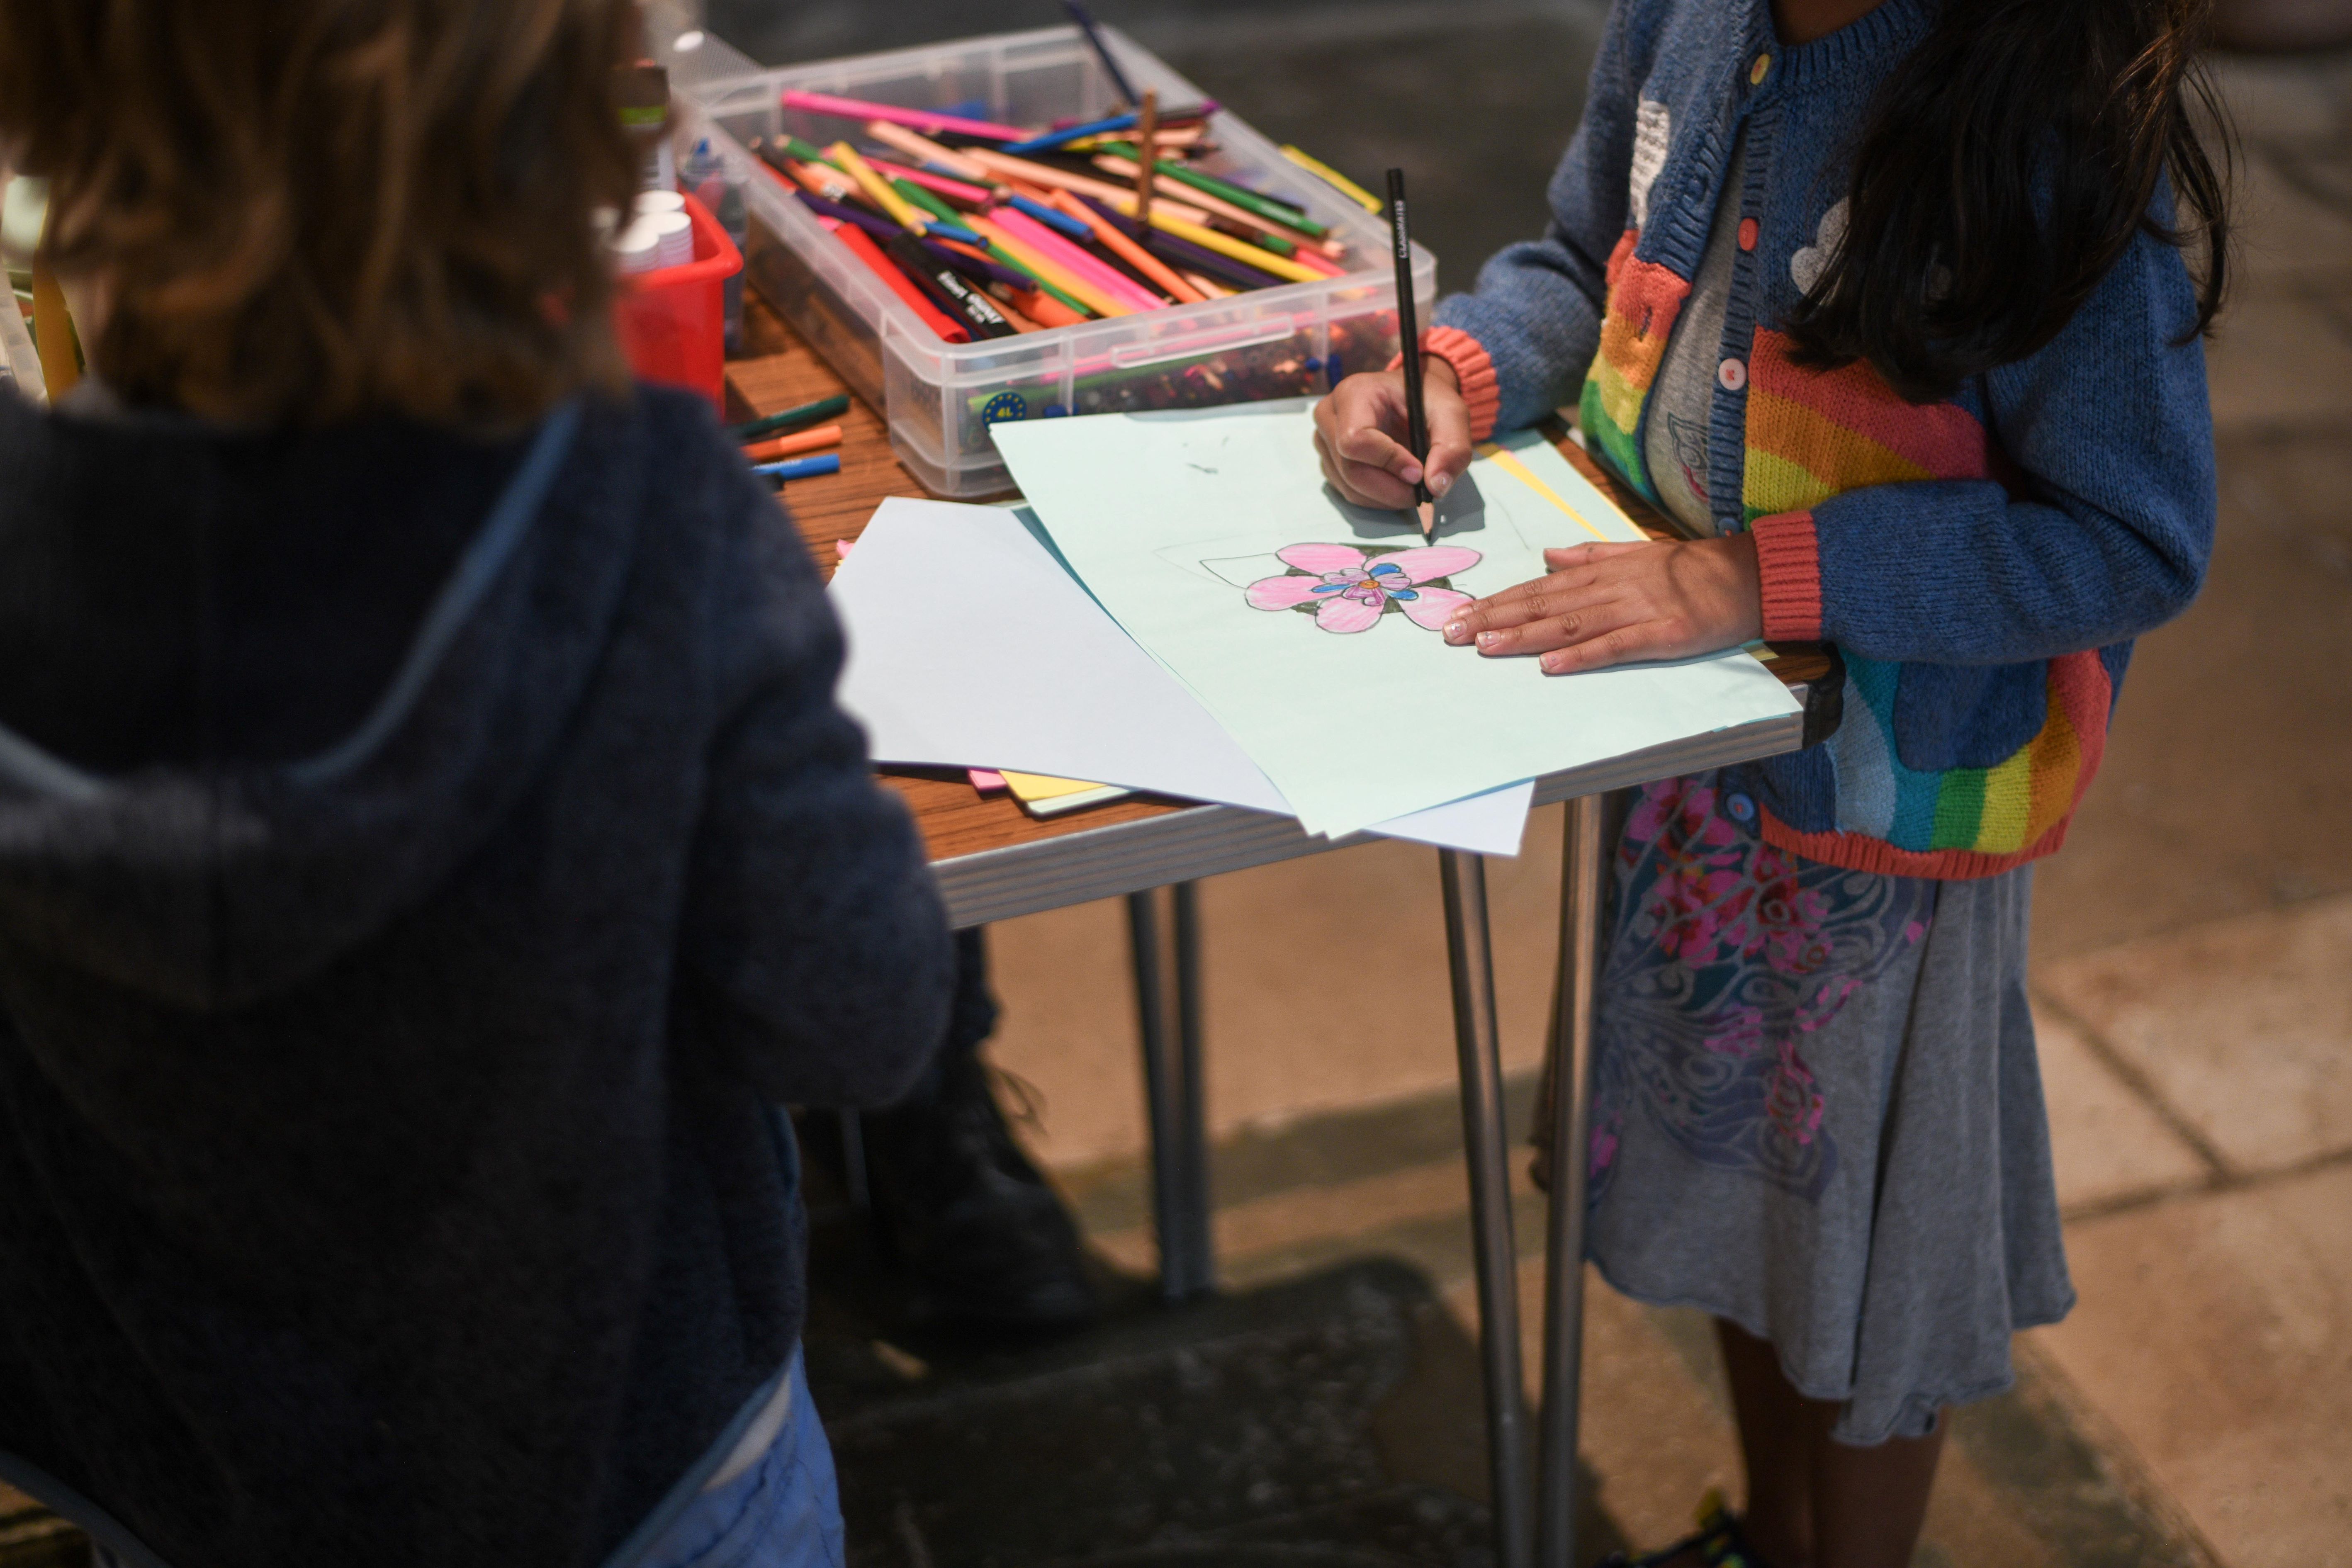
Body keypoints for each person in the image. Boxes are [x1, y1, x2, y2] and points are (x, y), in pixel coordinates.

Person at [0, 3, 953, 1566]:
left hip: (183, 1466)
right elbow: (860, 1015)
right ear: (568, 127)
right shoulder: (644, 518)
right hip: (648, 1473)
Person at [1314, 0, 2226, 1562]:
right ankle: (1773, 1535)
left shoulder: (2047, 122)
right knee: (1748, 1215)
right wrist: (1462, 369)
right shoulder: (1686, 18)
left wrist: (1757, 576)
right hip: (1686, 779)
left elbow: (2131, 539)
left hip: (1889, 836)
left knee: (1862, 1271)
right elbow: (1583, 264)